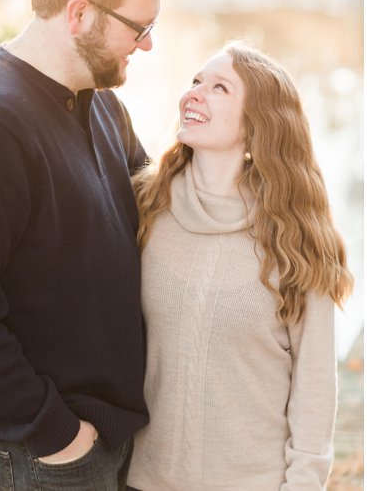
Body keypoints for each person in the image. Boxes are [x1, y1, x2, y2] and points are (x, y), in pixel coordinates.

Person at [0, 0, 162, 490]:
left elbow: (156, 211)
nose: (148, 44)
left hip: (109, 433)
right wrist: (53, 433)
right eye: (139, 27)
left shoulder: (101, 102)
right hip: (45, 452)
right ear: (79, 14)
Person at [126, 41, 353, 490]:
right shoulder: (144, 208)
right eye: (195, 82)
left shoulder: (297, 239)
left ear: (256, 127)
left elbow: (314, 389)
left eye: (219, 88)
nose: (194, 93)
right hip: (142, 480)